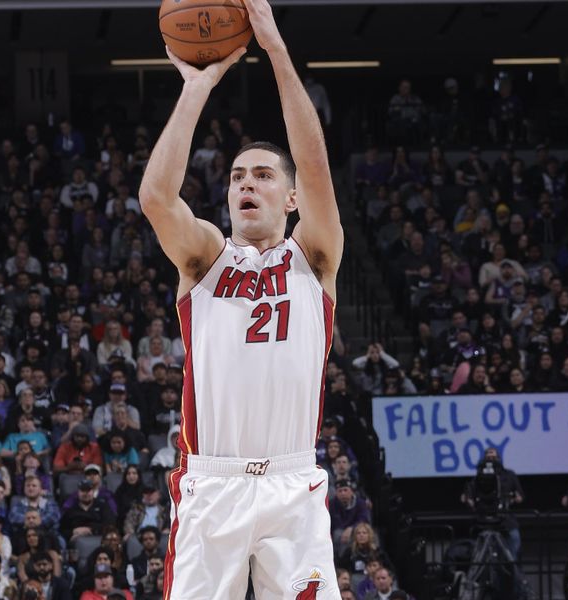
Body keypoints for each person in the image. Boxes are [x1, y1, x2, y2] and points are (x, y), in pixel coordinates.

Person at [138, 1, 343, 595]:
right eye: (236, 176)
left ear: (292, 198)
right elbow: (156, 197)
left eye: (262, 174)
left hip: (293, 487)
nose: (247, 182)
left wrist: (276, 51)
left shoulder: (314, 258)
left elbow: (316, 166)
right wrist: (198, 87)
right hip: (214, 484)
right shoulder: (205, 257)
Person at [461, 447, 524, 558]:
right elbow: (468, 495)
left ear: (499, 458)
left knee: (514, 538)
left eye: (493, 458)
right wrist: (467, 499)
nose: (491, 460)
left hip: (504, 517)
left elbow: (520, 496)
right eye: (488, 458)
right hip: (483, 517)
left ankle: (512, 566)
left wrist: (513, 499)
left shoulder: (509, 475)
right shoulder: (478, 478)